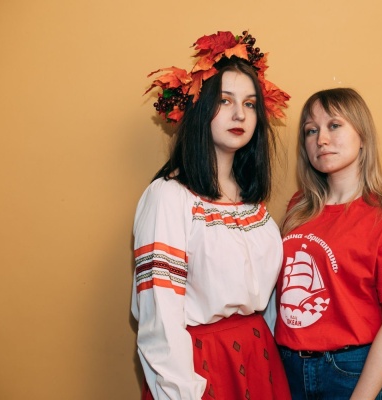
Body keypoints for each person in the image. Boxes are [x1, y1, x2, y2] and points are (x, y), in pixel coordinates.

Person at [131, 30, 291, 400]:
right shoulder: (170, 197)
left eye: (250, 104)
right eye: (225, 100)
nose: (240, 114)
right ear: (201, 108)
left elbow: (268, 304)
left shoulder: (253, 205)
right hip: (201, 365)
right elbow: (159, 318)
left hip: (260, 359)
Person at [274, 88, 382, 399]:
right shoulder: (298, 207)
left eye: (334, 125)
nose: (321, 139)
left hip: (352, 371)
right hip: (290, 369)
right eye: (311, 131)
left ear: (362, 136)